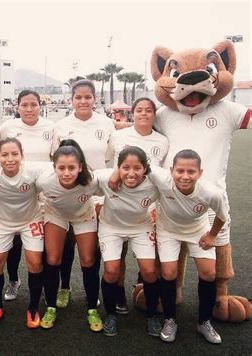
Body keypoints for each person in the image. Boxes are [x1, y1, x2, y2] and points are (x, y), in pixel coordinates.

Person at [150, 150, 227, 344]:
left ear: (200, 173)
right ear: (171, 170)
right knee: (168, 273)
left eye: (191, 172)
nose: (185, 176)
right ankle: (170, 320)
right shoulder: (161, 178)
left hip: (197, 231)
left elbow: (222, 216)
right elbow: (140, 162)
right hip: (167, 230)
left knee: (209, 274)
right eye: (180, 171)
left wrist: (211, 236)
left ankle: (204, 322)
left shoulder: (211, 192)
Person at [51, 79, 115, 311]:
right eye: (78, 97)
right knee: (67, 245)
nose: (83, 101)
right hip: (67, 194)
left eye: (88, 97)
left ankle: (92, 294)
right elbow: (56, 160)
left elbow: (108, 158)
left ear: (94, 99)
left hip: (95, 195)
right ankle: (65, 287)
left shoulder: (107, 124)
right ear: (71, 100)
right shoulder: (61, 126)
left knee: (92, 250)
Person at [0, 138, 49, 328]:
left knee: (35, 261)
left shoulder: (32, 169)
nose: (10, 159)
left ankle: (32, 308)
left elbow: (55, 167)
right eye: (4, 155)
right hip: (2, 222)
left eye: (14, 154)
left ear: (22, 155)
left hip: (30, 220)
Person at [105, 97, 169, 313]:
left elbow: (162, 174)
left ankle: (145, 292)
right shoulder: (118, 136)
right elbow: (110, 164)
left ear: (154, 114)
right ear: (132, 113)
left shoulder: (162, 141)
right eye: (139, 110)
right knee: (118, 254)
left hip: (146, 206)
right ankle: (119, 293)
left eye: (148, 110)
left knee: (149, 260)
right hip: (118, 202)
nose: (144, 114)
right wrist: (115, 173)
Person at [36, 140, 101, 331]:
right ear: (54, 167)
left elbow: (113, 177)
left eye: (71, 167)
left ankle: (91, 309)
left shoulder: (92, 181)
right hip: (56, 215)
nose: (66, 172)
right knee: (53, 258)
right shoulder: (44, 181)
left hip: (83, 215)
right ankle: (50, 306)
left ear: (80, 167)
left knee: (88, 260)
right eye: (61, 167)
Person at [97, 147, 160, 336]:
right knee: (111, 270)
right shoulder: (103, 177)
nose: (131, 173)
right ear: (117, 168)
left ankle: (152, 316)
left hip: (141, 227)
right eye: (125, 168)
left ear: (145, 169)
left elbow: (175, 177)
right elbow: (80, 176)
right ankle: (110, 315)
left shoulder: (155, 181)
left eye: (137, 168)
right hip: (111, 228)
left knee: (149, 271)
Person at [0, 90, 54, 302]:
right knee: (13, 241)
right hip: (13, 193)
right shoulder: (6, 128)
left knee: (42, 245)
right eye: (24, 105)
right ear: (17, 106)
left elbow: (55, 158)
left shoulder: (50, 127)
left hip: (43, 194)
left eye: (33, 104)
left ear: (40, 105)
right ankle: (13, 280)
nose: (29, 109)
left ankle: (43, 286)